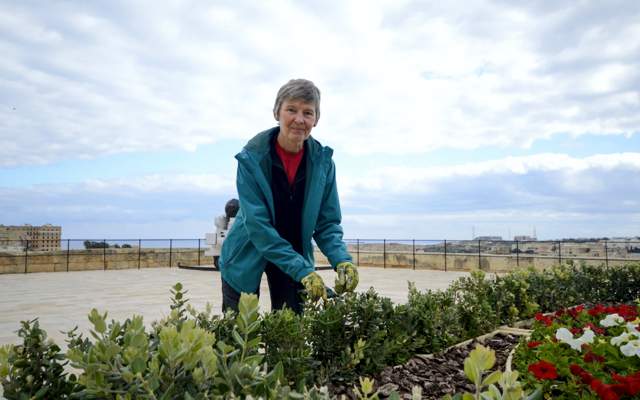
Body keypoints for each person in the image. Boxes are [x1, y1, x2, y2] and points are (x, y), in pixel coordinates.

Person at [219, 78, 358, 314]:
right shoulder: (251, 158)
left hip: (293, 254)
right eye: (291, 110)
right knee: (239, 336)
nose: (299, 119)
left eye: (308, 112)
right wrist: (303, 270)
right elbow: (258, 226)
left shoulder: (323, 163)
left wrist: (341, 259)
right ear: (277, 113)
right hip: (246, 251)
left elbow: (327, 223)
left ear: (316, 119)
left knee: (289, 338)